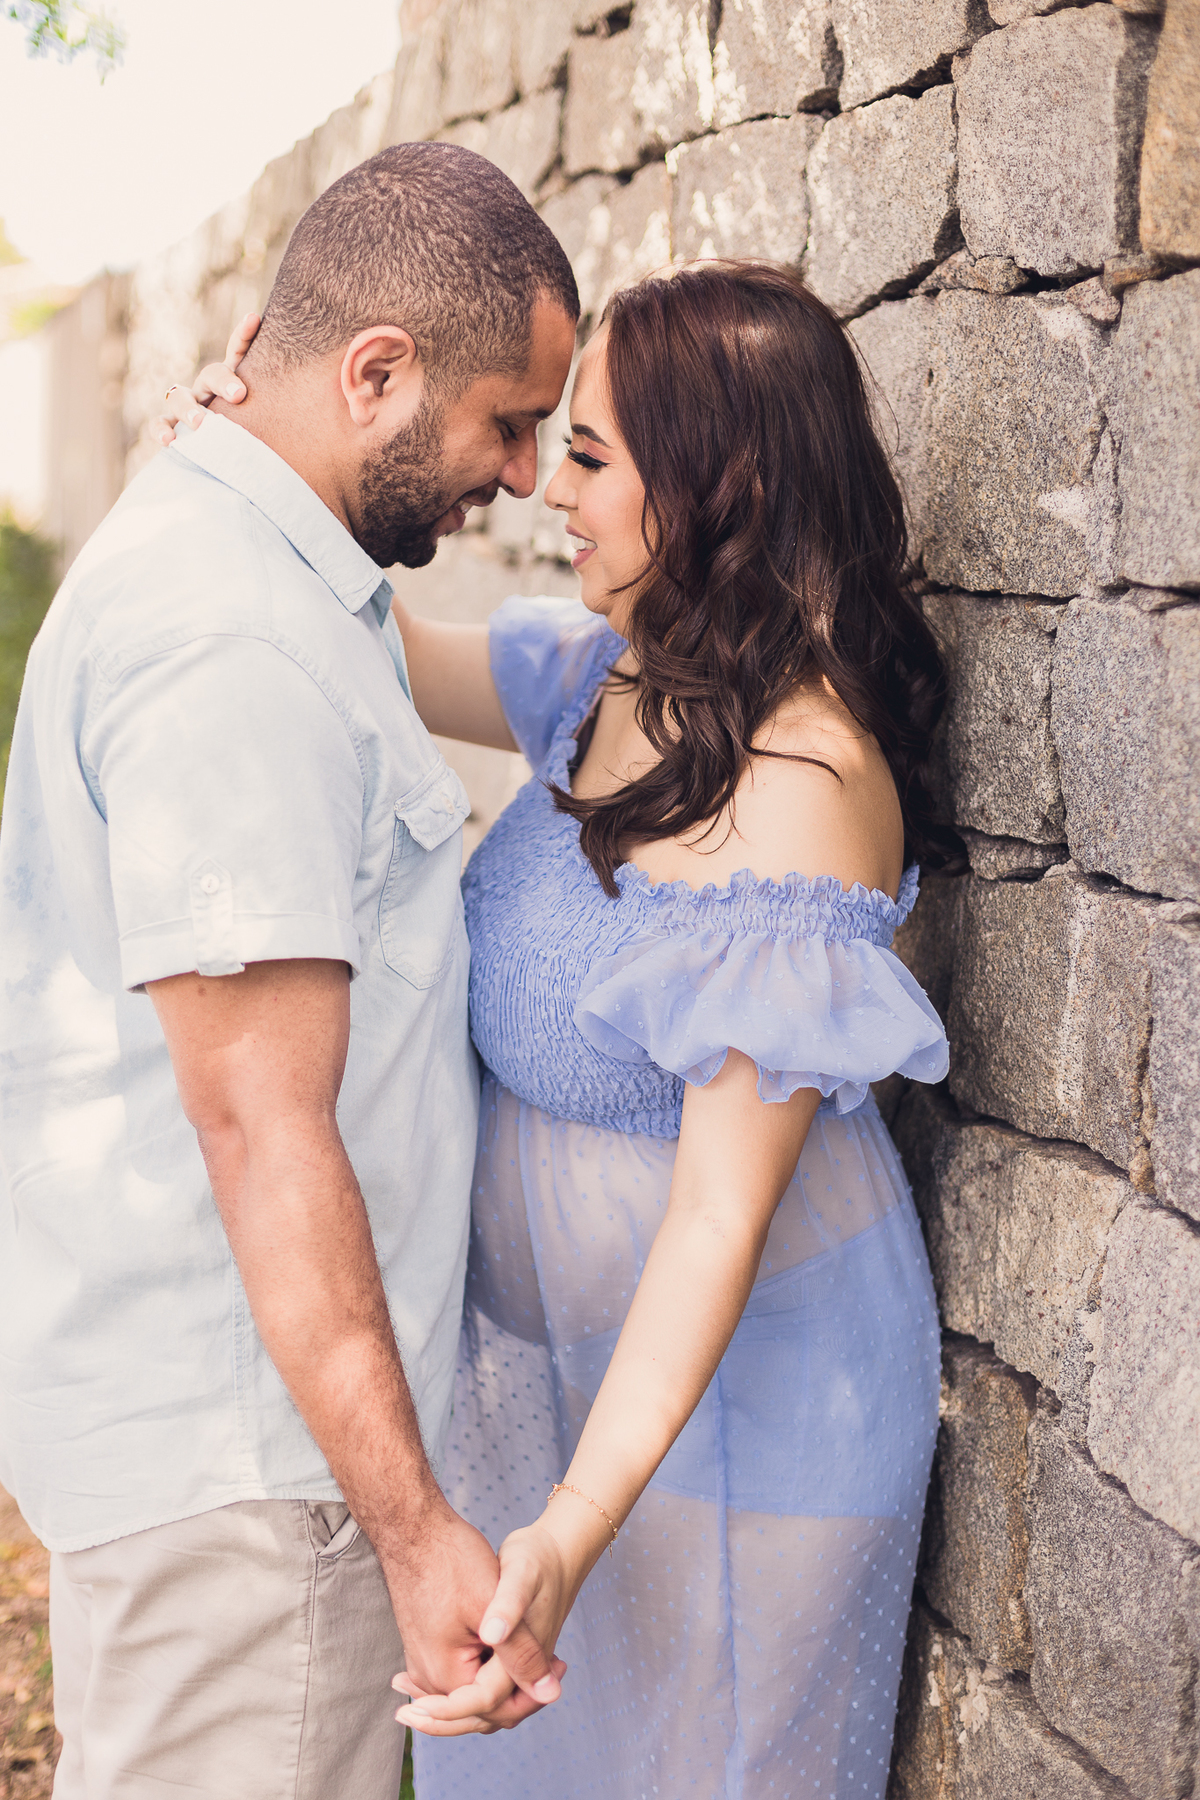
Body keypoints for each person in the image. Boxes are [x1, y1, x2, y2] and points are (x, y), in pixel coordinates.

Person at [169, 259, 952, 1796]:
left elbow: (722, 1216)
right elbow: (357, 644)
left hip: (744, 1413)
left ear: (725, 478)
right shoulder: (603, 673)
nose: (547, 490)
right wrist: (247, 469)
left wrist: (575, 1525)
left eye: (588, 454)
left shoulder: (800, 786)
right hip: (549, 1397)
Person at [0, 141, 579, 1800]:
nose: (529, 477)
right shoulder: (234, 642)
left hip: (240, 1454)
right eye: (505, 422)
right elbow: (263, 1127)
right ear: (376, 372)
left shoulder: (270, 564)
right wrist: (409, 1529)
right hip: (254, 1487)